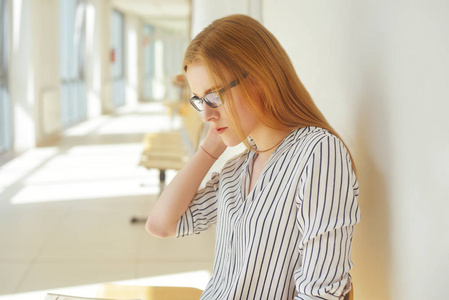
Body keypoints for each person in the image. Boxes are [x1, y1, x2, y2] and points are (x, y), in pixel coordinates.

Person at [146, 14, 361, 300]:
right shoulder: (237, 170)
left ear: (258, 80)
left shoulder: (318, 153)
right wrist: (209, 149)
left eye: (214, 96)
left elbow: (319, 295)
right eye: (200, 100)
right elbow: (161, 224)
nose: (207, 115)